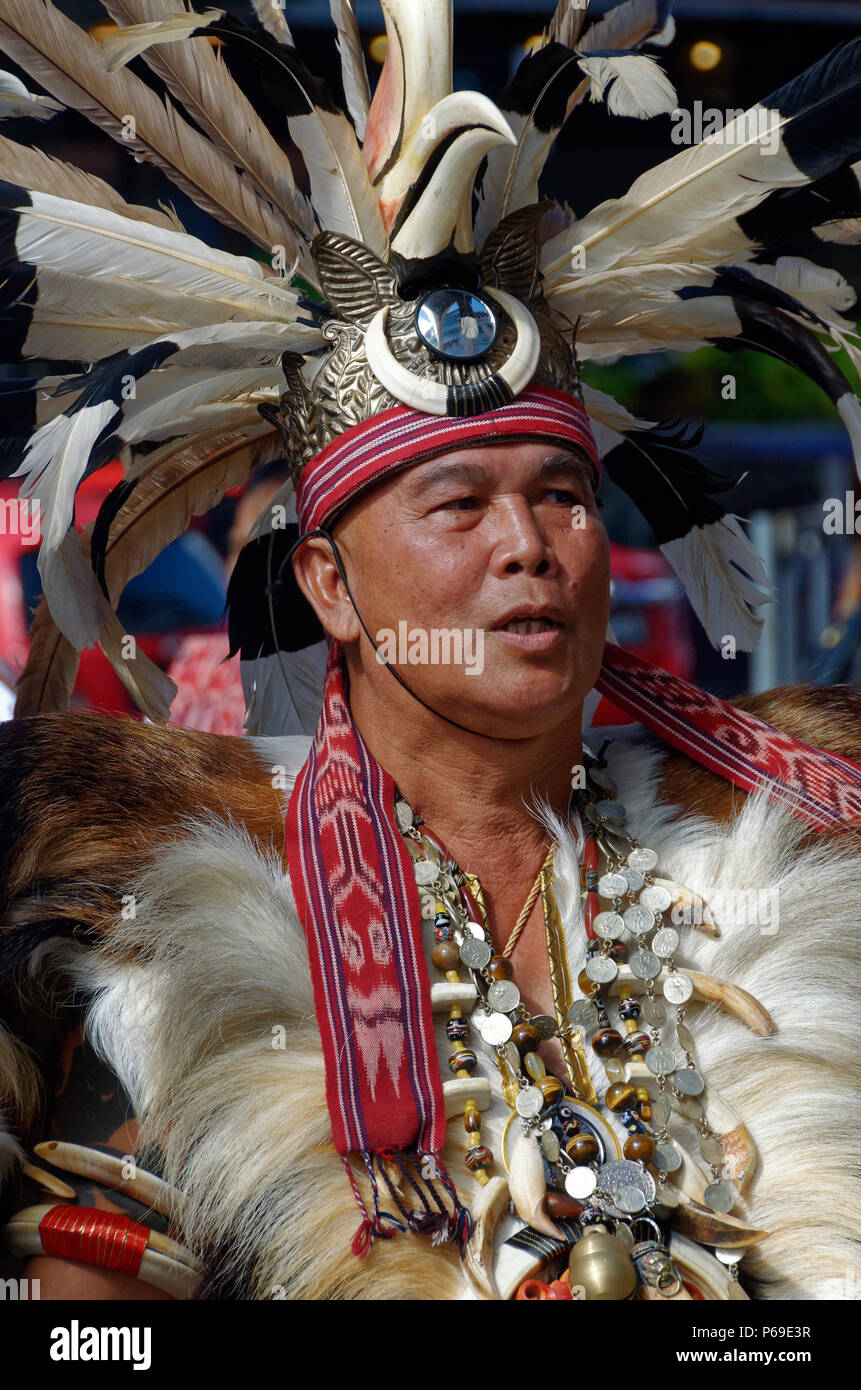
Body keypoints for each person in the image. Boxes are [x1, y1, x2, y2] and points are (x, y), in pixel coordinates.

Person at [0, 0, 860, 1301]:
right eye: (458, 508)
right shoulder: (183, 926)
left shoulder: (783, 847)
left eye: (561, 498)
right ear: (329, 584)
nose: (527, 546)